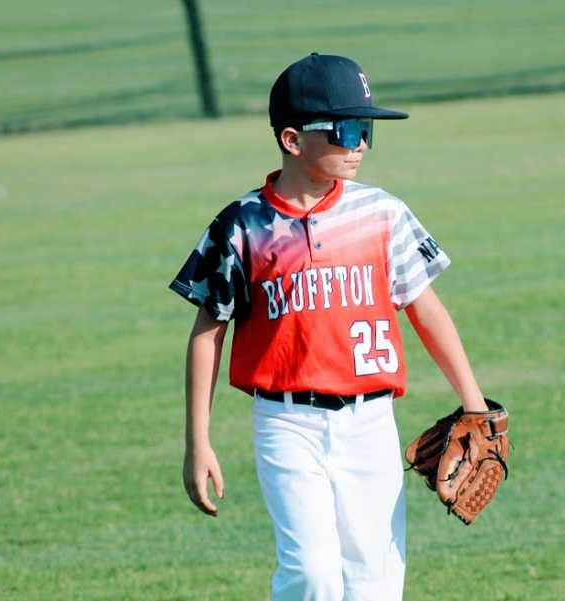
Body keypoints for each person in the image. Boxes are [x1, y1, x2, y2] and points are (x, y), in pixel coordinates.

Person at [169, 52, 489, 601]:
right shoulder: (243, 225)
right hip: (286, 425)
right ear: (292, 140)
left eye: (366, 129)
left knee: (375, 581)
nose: (359, 143)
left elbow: (425, 307)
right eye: (344, 129)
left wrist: (474, 402)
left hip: (370, 423)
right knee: (311, 573)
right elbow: (208, 330)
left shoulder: (382, 213)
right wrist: (197, 442)